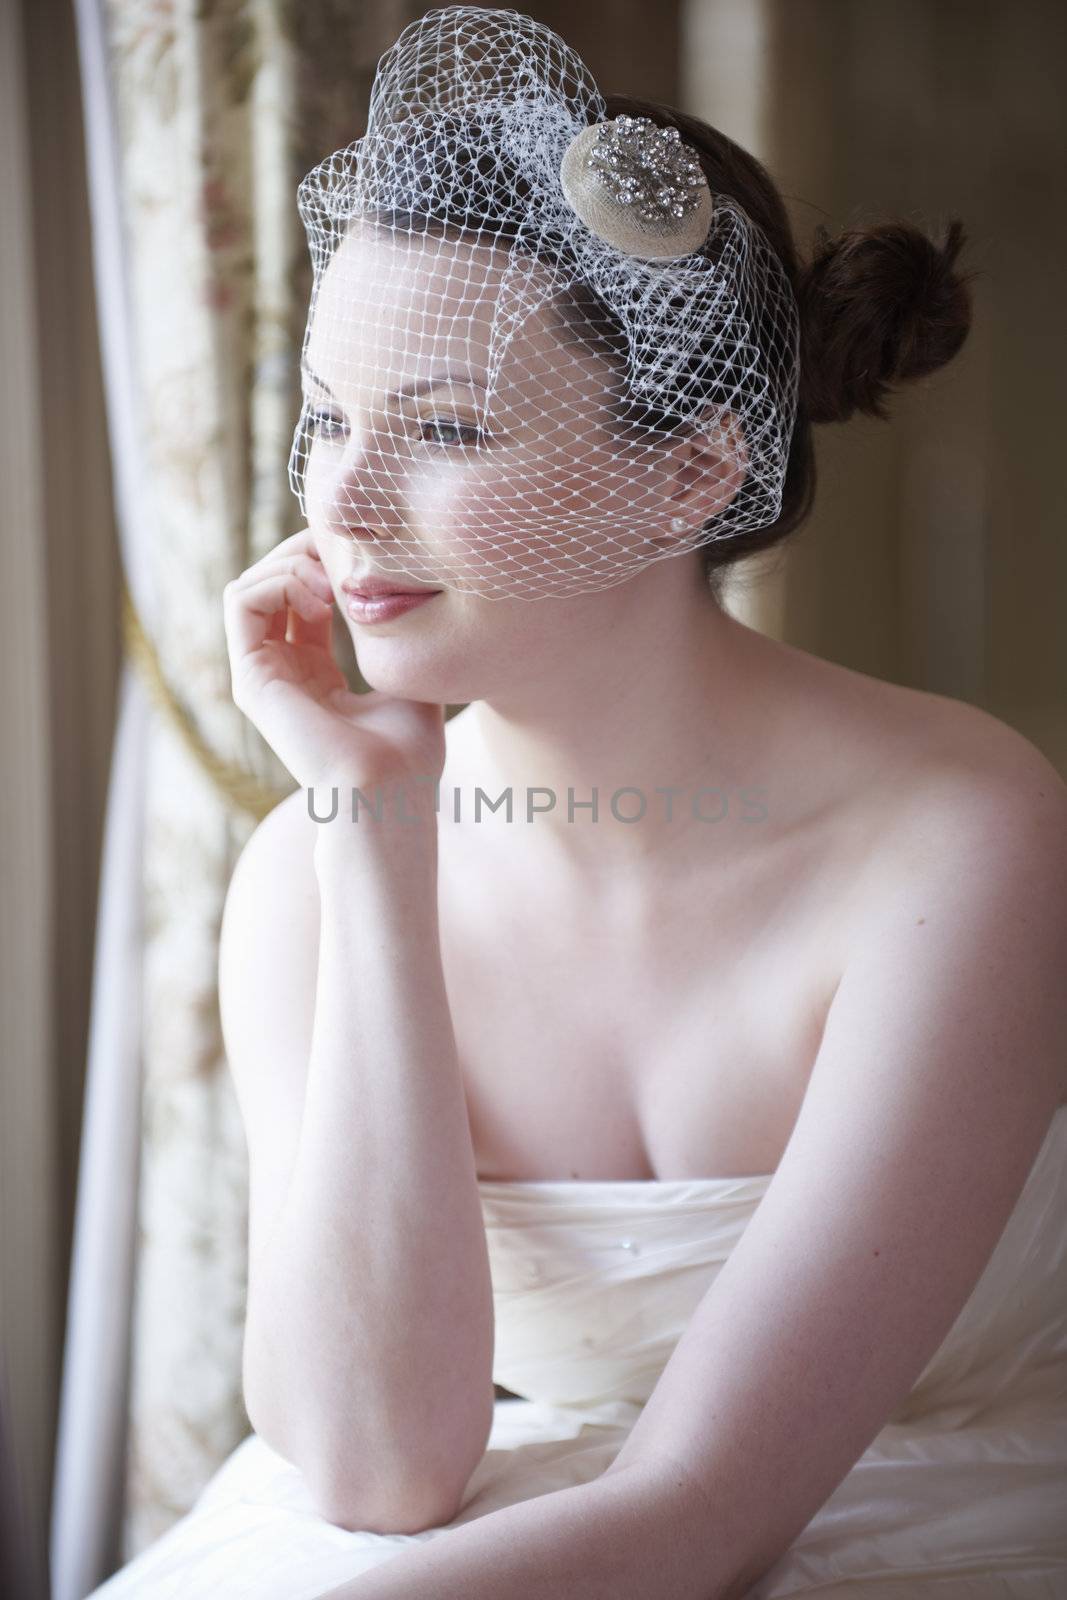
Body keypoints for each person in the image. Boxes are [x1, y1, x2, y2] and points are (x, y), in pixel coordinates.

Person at [88, 8, 1067, 1598]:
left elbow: (707, 1515)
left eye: (447, 427)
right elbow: (371, 1469)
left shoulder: (960, 842)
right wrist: (379, 845)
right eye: (328, 414)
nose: (338, 499)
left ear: (691, 473)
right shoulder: (307, 868)